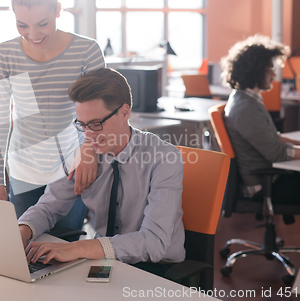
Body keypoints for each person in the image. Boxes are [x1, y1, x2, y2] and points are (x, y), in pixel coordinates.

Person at [18, 68, 185, 276]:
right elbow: (48, 207)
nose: (89, 134)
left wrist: (77, 248)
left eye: (96, 124)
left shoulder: (164, 158)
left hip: (156, 267)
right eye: (83, 125)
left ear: (125, 112)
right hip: (104, 260)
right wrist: (22, 230)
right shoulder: (83, 154)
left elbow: (154, 241)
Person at [0, 0, 105, 233]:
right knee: (24, 253)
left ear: (58, 10)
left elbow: (100, 112)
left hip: (72, 170)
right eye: (22, 25)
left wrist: (89, 150)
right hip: (23, 171)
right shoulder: (4, 54)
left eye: (42, 23)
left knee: (64, 249)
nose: (33, 34)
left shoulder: (86, 51)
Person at [221, 34, 300, 275]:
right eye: (270, 68)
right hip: (265, 182)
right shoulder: (245, 107)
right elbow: (276, 151)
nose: (274, 74)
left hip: (271, 176)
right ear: (256, 70)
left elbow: (274, 135)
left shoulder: (246, 99)